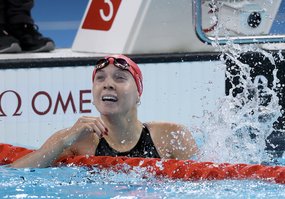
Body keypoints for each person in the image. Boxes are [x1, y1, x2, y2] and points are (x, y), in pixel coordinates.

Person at [11, 54, 199, 168]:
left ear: (138, 94)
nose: (108, 84)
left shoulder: (172, 136)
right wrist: (64, 141)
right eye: (100, 78)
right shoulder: (78, 141)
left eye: (119, 78)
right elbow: (14, 173)